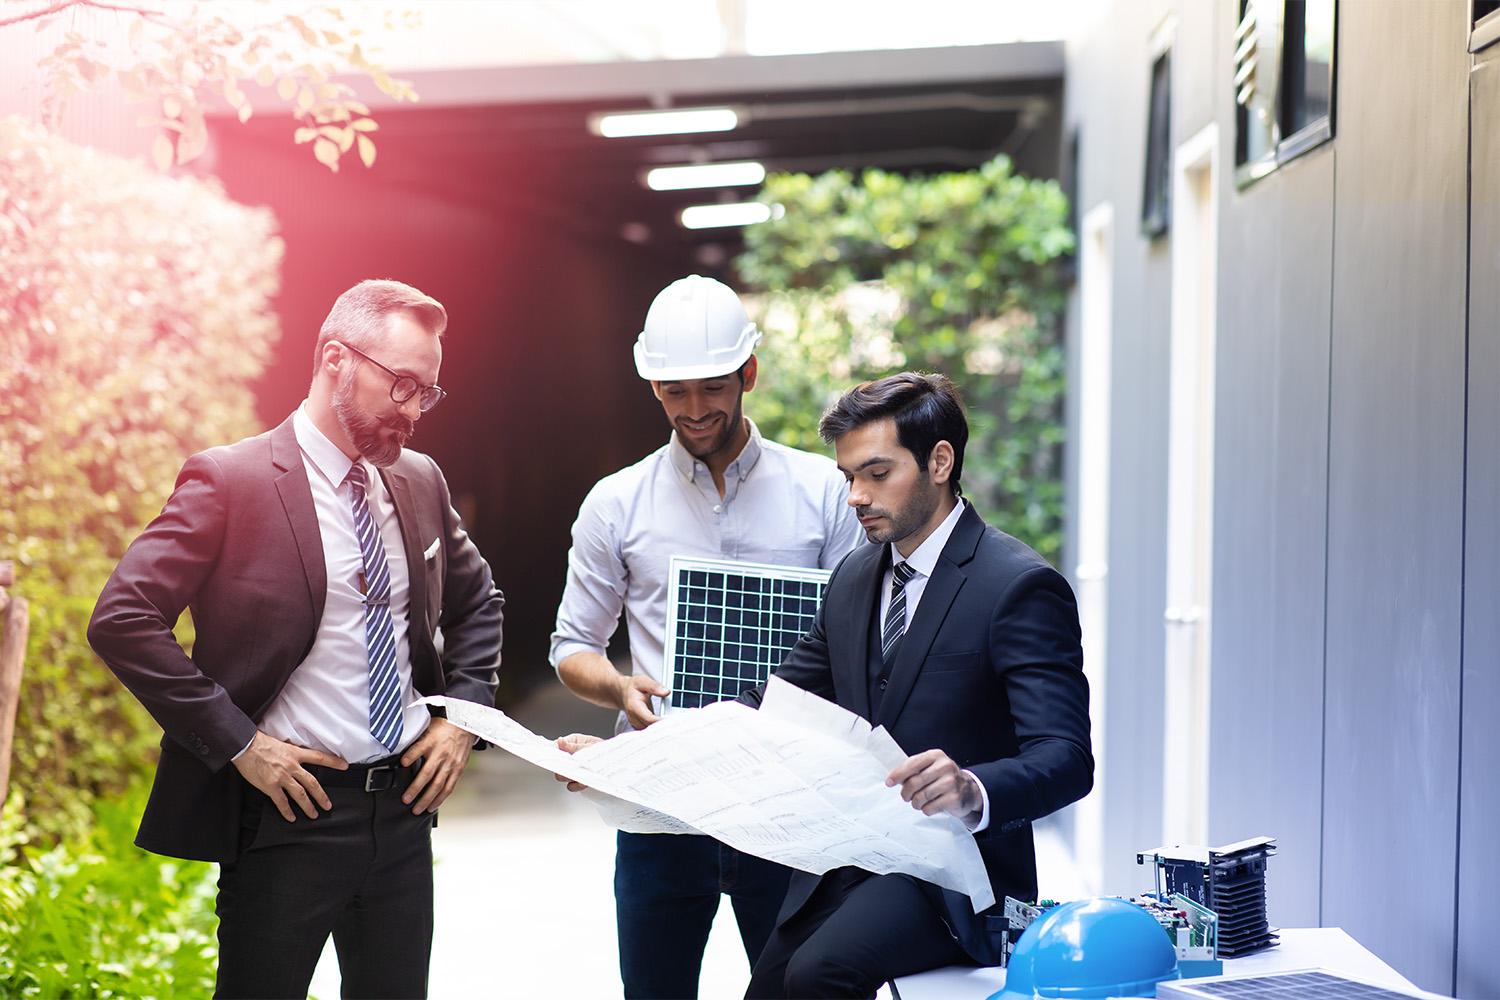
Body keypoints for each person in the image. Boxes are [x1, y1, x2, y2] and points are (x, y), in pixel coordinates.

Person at [87, 279, 504, 999]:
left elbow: (478, 603)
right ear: (336, 358)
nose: (412, 411)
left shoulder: (418, 479)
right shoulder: (232, 481)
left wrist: (460, 717)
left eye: (426, 393)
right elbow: (123, 618)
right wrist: (241, 744)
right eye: (401, 385)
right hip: (288, 819)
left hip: (403, 815)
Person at [549, 274, 864, 998]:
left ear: (748, 373)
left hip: (788, 808)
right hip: (663, 809)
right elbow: (571, 648)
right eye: (673, 391)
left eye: (712, 387)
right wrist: (620, 687)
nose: (694, 409)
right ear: (652, 387)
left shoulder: (823, 491)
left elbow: (861, 644)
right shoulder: (615, 504)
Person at [735, 371, 1094, 998]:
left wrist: (970, 787)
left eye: (877, 474)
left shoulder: (1018, 586)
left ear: (939, 461)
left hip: (958, 875)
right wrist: (648, 747)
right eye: (849, 477)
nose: (855, 497)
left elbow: (1067, 760)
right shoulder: (852, 577)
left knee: (821, 975)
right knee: (770, 988)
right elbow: (778, 702)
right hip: (854, 853)